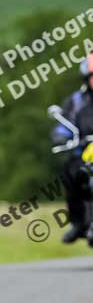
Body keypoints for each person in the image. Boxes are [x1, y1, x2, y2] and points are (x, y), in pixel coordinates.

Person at [52, 54, 93, 244]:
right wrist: (61, 135)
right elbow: (64, 124)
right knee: (71, 172)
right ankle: (78, 222)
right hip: (83, 153)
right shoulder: (76, 101)